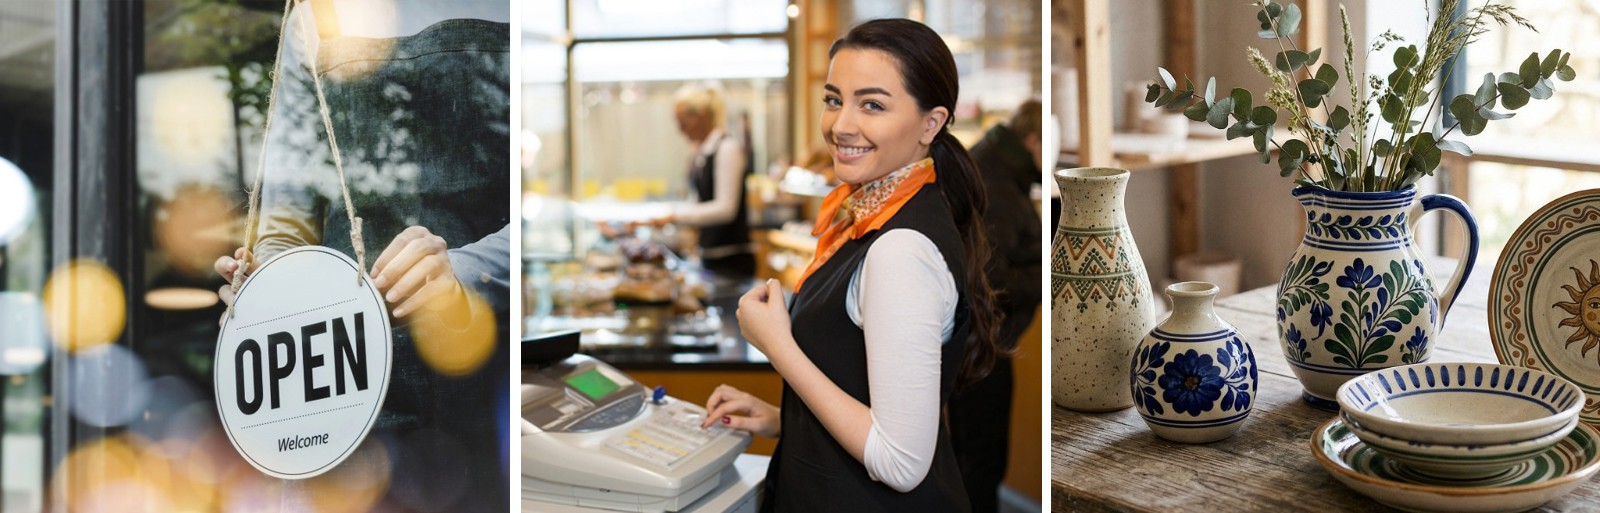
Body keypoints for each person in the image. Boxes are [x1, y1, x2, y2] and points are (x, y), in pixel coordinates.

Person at [211, 1, 509, 510]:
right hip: (341, 381)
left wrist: (468, 269)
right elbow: (289, 212)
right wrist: (267, 284)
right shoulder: (316, 12)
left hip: (489, 378)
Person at [700, 18, 1003, 512]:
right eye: (834, 99)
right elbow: (875, 404)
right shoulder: (873, 216)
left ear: (931, 123)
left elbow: (902, 463)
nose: (841, 125)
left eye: (873, 105)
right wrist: (785, 418)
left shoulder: (900, 247)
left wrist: (778, 345)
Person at [948, 99, 1043, 513]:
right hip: (981, 347)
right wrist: (1052, 270)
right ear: (1033, 139)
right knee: (982, 463)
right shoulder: (998, 183)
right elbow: (994, 278)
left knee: (970, 458)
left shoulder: (995, 164)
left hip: (970, 342)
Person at [655, 82, 756, 279]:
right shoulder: (701, 152)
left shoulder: (727, 148)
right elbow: (698, 200)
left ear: (701, 115)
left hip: (731, 259)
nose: (681, 131)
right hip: (709, 256)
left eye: (683, 123)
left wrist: (675, 217)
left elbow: (725, 209)